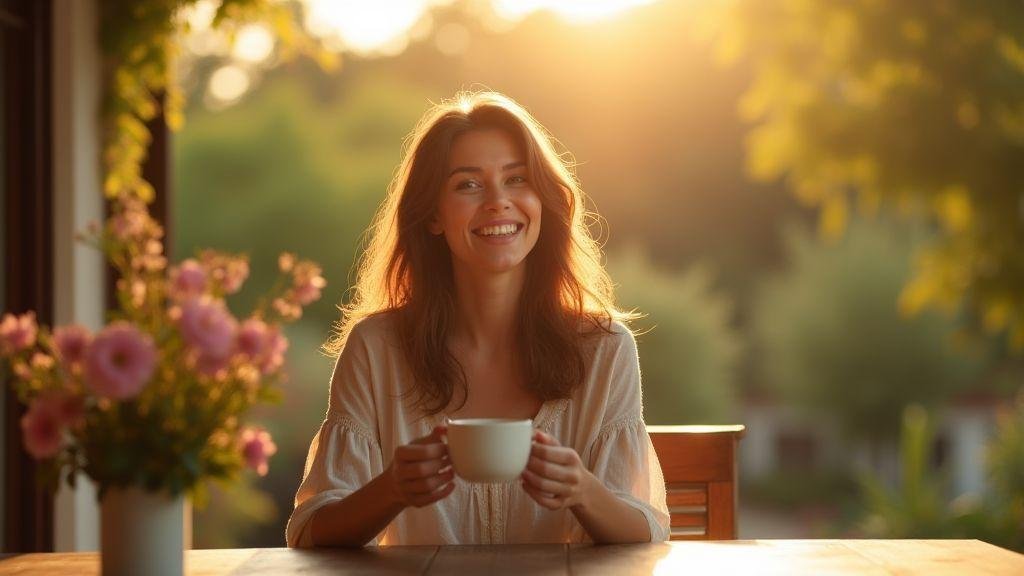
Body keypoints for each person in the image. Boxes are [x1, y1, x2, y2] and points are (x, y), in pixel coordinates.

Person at [286, 91, 670, 547]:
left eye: (517, 179)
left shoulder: (605, 349)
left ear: (543, 201)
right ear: (432, 214)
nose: (497, 202)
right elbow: (312, 533)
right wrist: (390, 490)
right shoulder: (375, 348)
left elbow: (646, 536)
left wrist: (583, 491)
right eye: (468, 185)